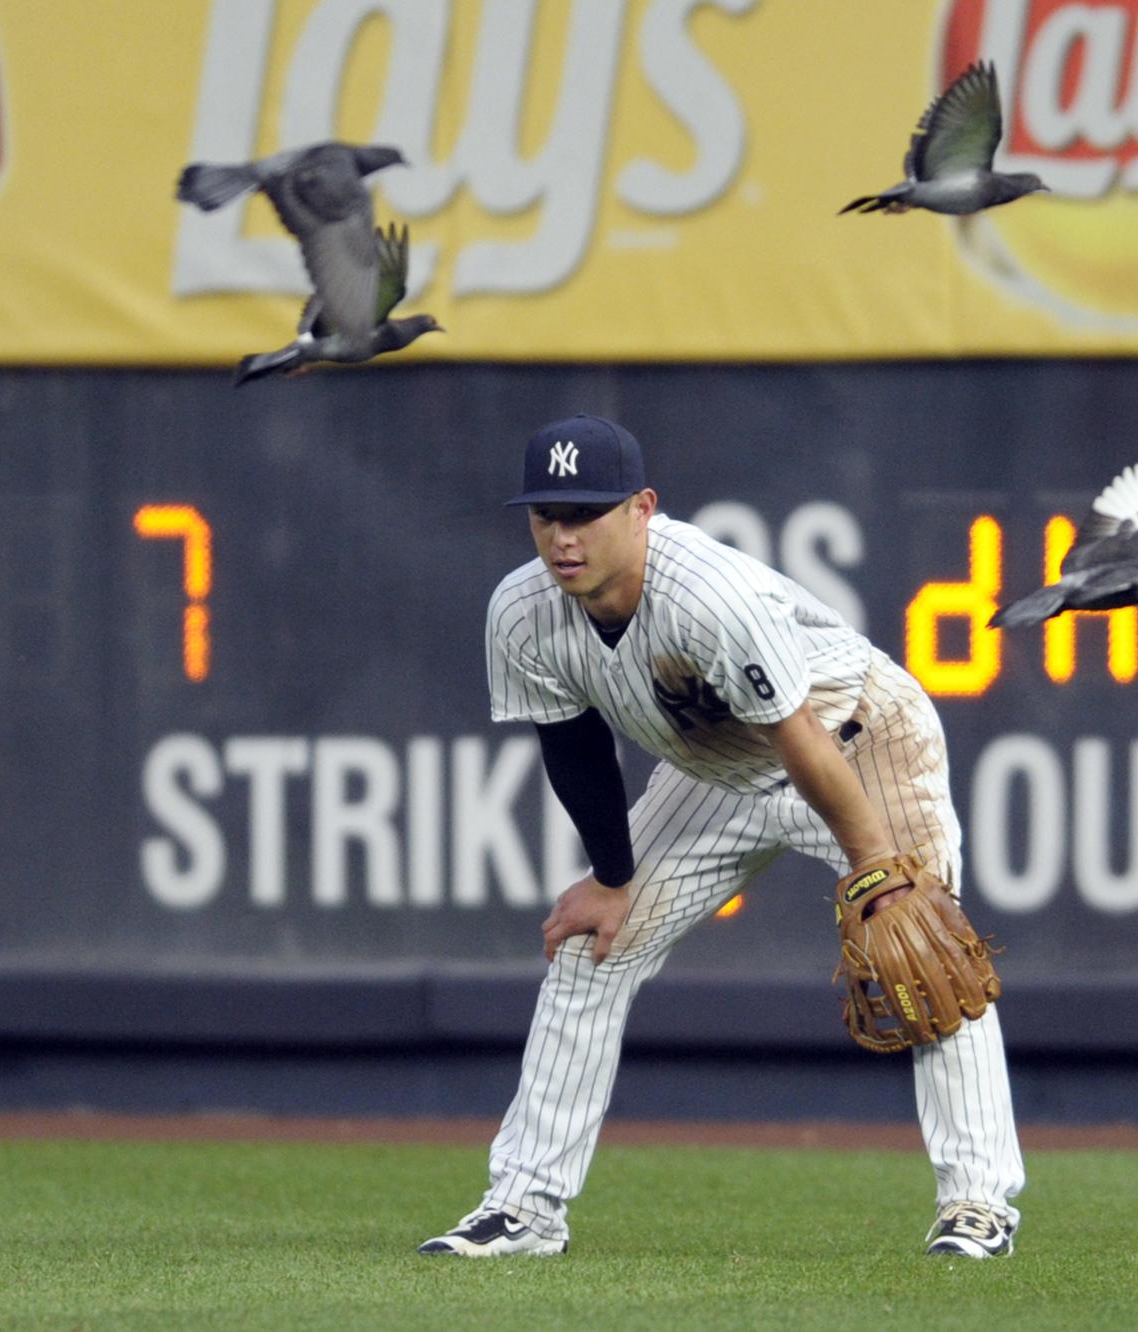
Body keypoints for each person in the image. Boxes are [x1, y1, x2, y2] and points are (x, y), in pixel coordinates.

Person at [418, 414, 1025, 1260]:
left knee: (925, 954)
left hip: (856, 740)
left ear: (642, 509)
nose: (564, 535)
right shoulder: (522, 612)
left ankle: (978, 1205)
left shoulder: (708, 594)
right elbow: (574, 747)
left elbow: (802, 740)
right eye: (547, 513)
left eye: (587, 512)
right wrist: (612, 875)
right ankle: (523, 1208)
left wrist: (878, 868)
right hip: (718, 770)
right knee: (592, 946)